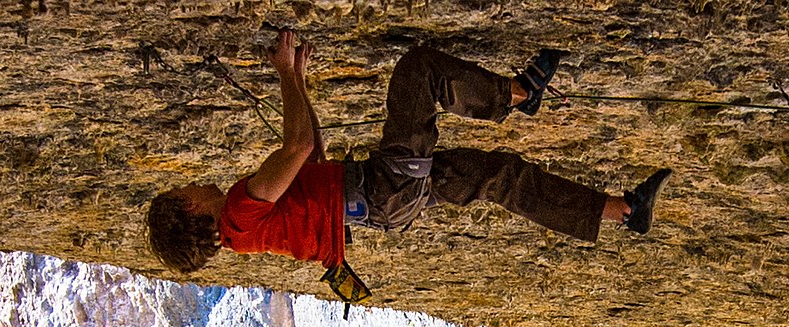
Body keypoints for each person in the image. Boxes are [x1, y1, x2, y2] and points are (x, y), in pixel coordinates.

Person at [144, 29, 669, 299]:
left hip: (384, 204)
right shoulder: (239, 210)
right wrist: (284, 73)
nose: (191, 181)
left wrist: (300, 82)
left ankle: (624, 211)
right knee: (417, 72)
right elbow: (298, 148)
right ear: (187, 205)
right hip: (384, 186)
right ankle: (516, 93)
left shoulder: (243, 232)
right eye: (182, 188)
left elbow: (313, 159)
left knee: (498, 177)